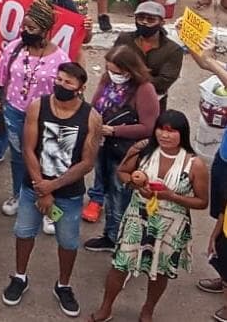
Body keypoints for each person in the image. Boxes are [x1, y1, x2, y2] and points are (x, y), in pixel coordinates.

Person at [87, 111, 208, 322]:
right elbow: (122, 172)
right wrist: (136, 185)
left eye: (172, 131)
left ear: (183, 134)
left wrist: (171, 196)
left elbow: (202, 202)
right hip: (137, 217)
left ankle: (148, 310)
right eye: (161, 129)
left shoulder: (194, 164)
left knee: (159, 271)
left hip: (169, 226)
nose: (165, 135)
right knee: (119, 265)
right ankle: (105, 309)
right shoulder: (143, 149)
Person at [2, 62, 100, 317]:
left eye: (69, 82)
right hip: (33, 186)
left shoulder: (91, 117)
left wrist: (53, 187)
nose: (62, 85)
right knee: (24, 233)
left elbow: (87, 162)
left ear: (81, 88)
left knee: (68, 242)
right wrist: (42, 189)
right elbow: (27, 148)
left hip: (68, 193)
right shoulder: (38, 106)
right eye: (59, 79)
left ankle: (63, 285)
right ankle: (20, 277)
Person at [0, 0, 68, 219]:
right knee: (18, 157)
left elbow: (68, 89)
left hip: (46, 118)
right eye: (23, 26)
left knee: (46, 160)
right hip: (14, 113)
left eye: (31, 28)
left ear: (45, 30)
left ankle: (47, 207)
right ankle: (19, 194)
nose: (25, 31)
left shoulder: (60, 58)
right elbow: (0, 78)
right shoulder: (14, 48)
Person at [82, 45, 160, 246]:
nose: (113, 75)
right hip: (103, 146)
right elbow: (95, 104)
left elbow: (148, 127)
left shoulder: (144, 89)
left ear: (130, 70)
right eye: (110, 70)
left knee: (121, 196)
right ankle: (110, 235)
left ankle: (124, 242)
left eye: (118, 72)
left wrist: (115, 131)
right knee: (107, 191)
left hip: (126, 153)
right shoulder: (107, 80)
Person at [112, 1, 184, 107]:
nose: (144, 22)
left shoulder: (173, 50)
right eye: (140, 18)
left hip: (152, 101)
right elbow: (112, 63)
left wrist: (132, 76)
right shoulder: (125, 39)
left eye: (151, 19)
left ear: (162, 23)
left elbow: (163, 82)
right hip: (120, 97)